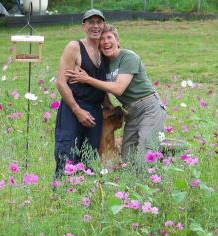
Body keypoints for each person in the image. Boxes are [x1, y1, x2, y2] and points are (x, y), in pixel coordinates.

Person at [66, 24, 166, 166]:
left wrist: (87, 79)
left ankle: (153, 183)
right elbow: (101, 85)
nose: (106, 42)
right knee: (127, 158)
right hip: (130, 112)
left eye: (109, 37)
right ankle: (132, 186)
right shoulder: (104, 63)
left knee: (146, 151)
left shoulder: (128, 57)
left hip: (148, 107)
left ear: (117, 41)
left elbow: (118, 88)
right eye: (102, 39)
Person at [54, 9, 112, 178]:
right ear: (84, 26)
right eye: (91, 22)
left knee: (88, 159)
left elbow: (101, 82)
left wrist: (107, 103)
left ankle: (83, 200)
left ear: (103, 25)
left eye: (99, 22)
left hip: (94, 112)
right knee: (67, 156)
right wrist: (77, 110)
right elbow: (61, 82)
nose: (95, 26)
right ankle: (60, 199)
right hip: (73, 110)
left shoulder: (103, 51)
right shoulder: (75, 47)